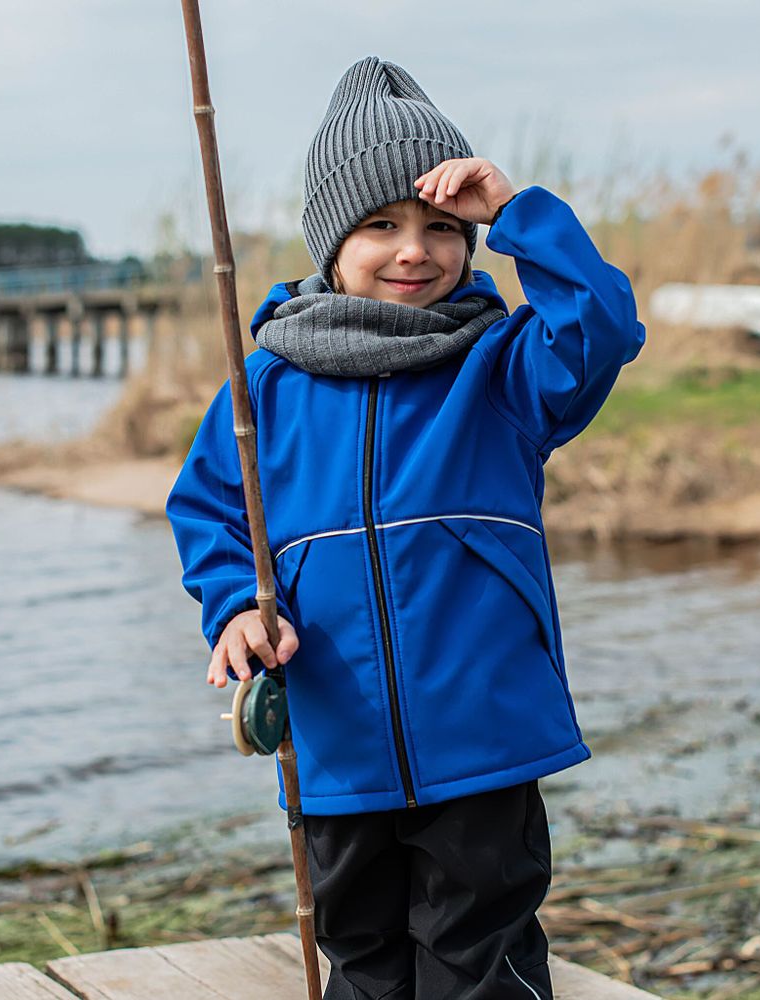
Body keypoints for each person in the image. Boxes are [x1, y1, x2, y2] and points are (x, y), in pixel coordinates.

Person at [167, 55, 645, 1000]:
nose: (412, 250)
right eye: (380, 225)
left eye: (440, 226)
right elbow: (212, 508)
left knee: (480, 963)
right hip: (336, 749)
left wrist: (514, 212)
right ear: (331, 242)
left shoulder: (508, 370)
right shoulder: (265, 381)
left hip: (484, 739)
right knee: (364, 960)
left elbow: (603, 323)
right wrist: (234, 608)